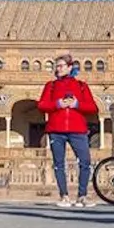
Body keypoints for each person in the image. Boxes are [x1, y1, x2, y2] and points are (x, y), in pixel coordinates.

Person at [39, 53, 98, 207]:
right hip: (56, 130)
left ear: (70, 67)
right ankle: (64, 196)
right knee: (59, 164)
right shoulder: (50, 86)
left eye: (61, 66)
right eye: (56, 66)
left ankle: (82, 196)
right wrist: (57, 104)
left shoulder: (81, 86)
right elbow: (42, 105)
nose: (57, 69)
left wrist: (77, 105)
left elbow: (93, 107)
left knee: (85, 162)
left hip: (77, 129)